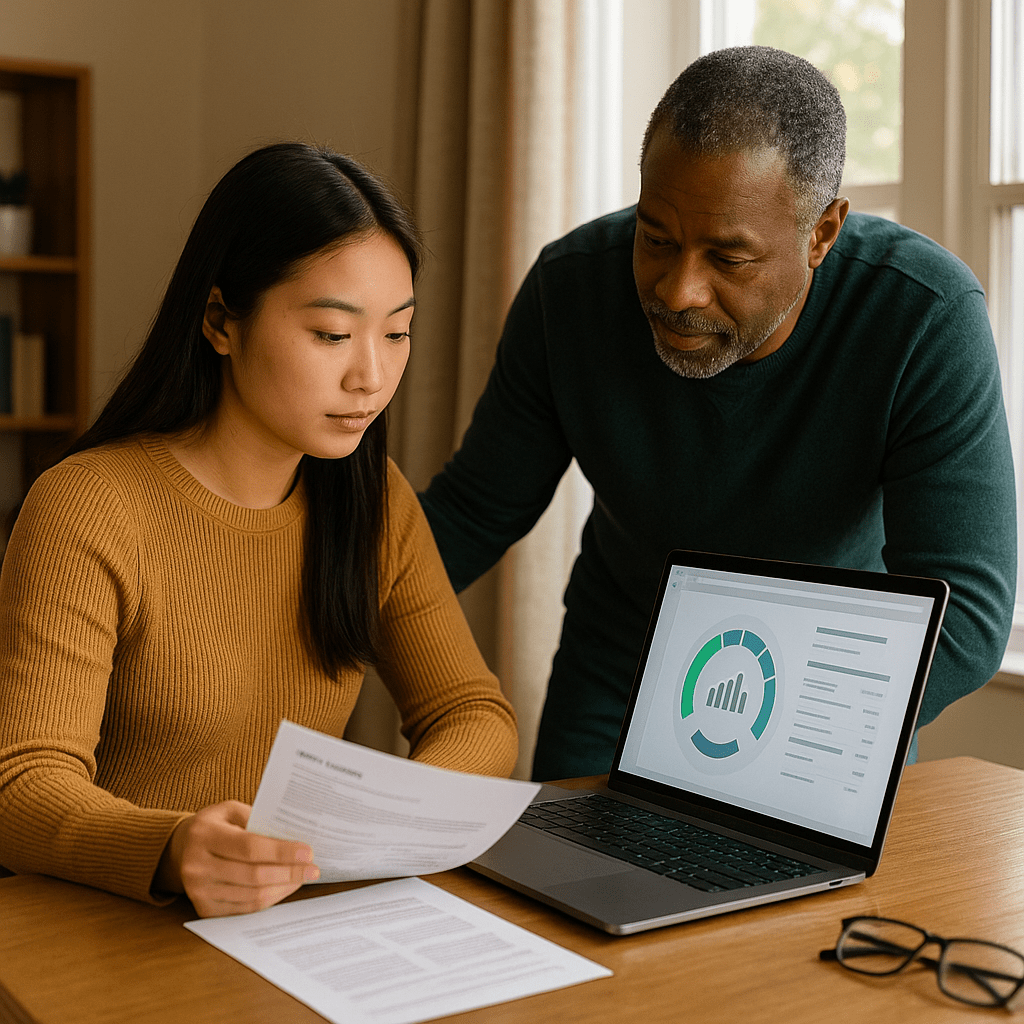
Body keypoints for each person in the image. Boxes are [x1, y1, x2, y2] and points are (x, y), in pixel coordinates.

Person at [420, 45, 1016, 782]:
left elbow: (966, 614)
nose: (678, 291)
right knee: (560, 891)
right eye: (656, 239)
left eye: (728, 259)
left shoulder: (923, 315)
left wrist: (763, 720)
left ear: (822, 233)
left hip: (828, 700)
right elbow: (475, 510)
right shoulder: (569, 289)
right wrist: (315, 605)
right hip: (618, 675)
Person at [0, 142, 518, 917]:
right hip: (107, 927)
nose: (370, 377)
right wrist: (173, 849)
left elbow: (473, 714)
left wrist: (386, 820)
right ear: (220, 322)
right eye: (332, 335)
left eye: (397, 333)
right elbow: (22, 783)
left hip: (290, 924)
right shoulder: (87, 506)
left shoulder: (372, 501)